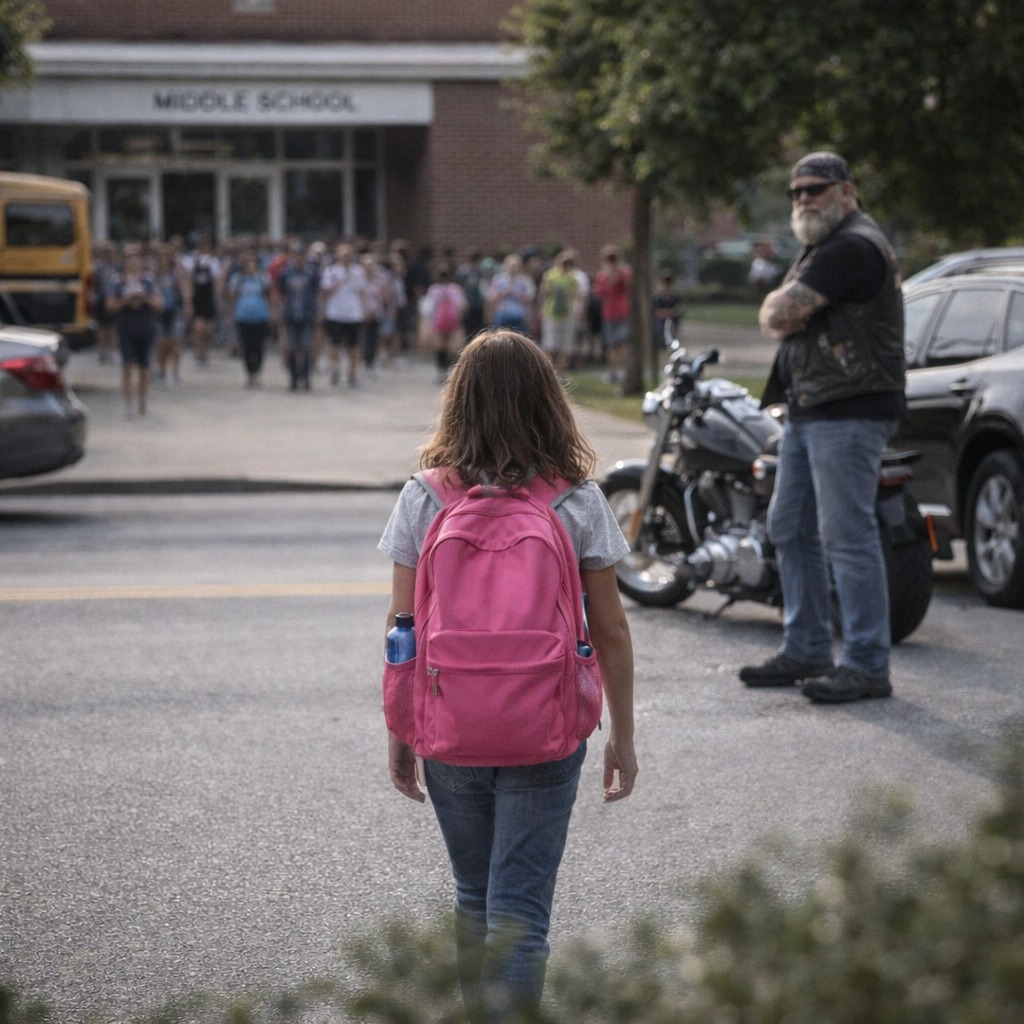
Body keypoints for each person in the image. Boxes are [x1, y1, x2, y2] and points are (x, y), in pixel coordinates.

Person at [377, 329, 638, 1020]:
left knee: (473, 899)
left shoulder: (424, 497)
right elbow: (610, 630)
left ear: (457, 404)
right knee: (519, 913)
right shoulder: (576, 501)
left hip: (450, 726)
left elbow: (403, 631)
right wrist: (622, 736)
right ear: (549, 403)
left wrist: (402, 729)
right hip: (546, 732)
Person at [739, 151, 906, 703]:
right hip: (814, 409)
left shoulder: (850, 247)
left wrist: (780, 307)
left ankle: (865, 663)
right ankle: (807, 646)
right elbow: (782, 312)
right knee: (789, 525)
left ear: (846, 191)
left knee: (847, 535)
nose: (805, 198)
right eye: (797, 192)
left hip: (851, 409)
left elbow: (776, 314)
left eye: (817, 188)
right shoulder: (824, 247)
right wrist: (782, 307)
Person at [105, 244, 162, 419]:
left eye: (137, 259)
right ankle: (128, 404)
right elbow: (109, 306)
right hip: (126, 328)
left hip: (145, 328)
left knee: (144, 368)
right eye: (130, 260)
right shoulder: (117, 282)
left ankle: (142, 400)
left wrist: (143, 297)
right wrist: (126, 301)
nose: (134, 263)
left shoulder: (148, 281)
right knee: (127, 367)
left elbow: (159, 305)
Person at [321, 243, 367, 387]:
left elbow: (362, 291)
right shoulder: (331, 271)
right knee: (335, 344)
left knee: (353, 346)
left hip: (353, 314)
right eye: (344, 255)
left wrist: (363, 310)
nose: (347, 258)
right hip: (336, 313)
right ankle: (335, 368)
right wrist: (342, 279)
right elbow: (327, 290)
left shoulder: (358, 271)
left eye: (349, 255)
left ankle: (352, 373)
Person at [276, 243, 320, 391]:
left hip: (307, 315)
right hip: (290, 315)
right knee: (292, 348)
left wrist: (318, 312)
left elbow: (316, 294)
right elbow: (282, 293)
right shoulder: (285, 273)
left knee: (306, 347)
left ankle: (306, 377)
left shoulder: (312, 273)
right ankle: (294, 378)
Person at [225, 250, 273, 388]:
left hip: (260, 316)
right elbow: (232, 297)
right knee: (246, 348)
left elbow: (268, 296)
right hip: (243, 317)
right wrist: (230, 314)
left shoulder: (263, 278)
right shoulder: (237, 279)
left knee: (258, 347)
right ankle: (250, 374)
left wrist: (271, 313)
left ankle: (257, 372)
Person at [593, 245, 632, 383]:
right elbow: (599, 292)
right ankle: (615, 372)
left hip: (618, 313)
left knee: (618, 344)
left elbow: (627, 286)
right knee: (614, 345)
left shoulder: (621, 273)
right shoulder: (604, 275)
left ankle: (619, 371)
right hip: (611, 313)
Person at [539, 250, 579, 370]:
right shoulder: (550, 276)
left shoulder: (572, 278)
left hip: (566, 314)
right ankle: (551, 369)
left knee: (564, 345)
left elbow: (574, 295)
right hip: (551, 314)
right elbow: (544, 294)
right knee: (551, 345)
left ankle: (560, 370)